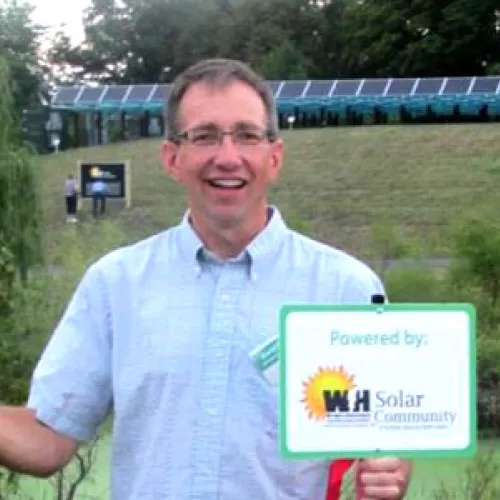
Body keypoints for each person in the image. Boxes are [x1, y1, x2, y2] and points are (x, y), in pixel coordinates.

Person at [0, 58, 412, 499]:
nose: (228, 157)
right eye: (205, 136)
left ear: (274, 157)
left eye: (247, 135)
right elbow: (48, 439)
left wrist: (391, 470)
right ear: (172, 158)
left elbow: (385, 438)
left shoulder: (347, 288)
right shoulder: (113, 285)